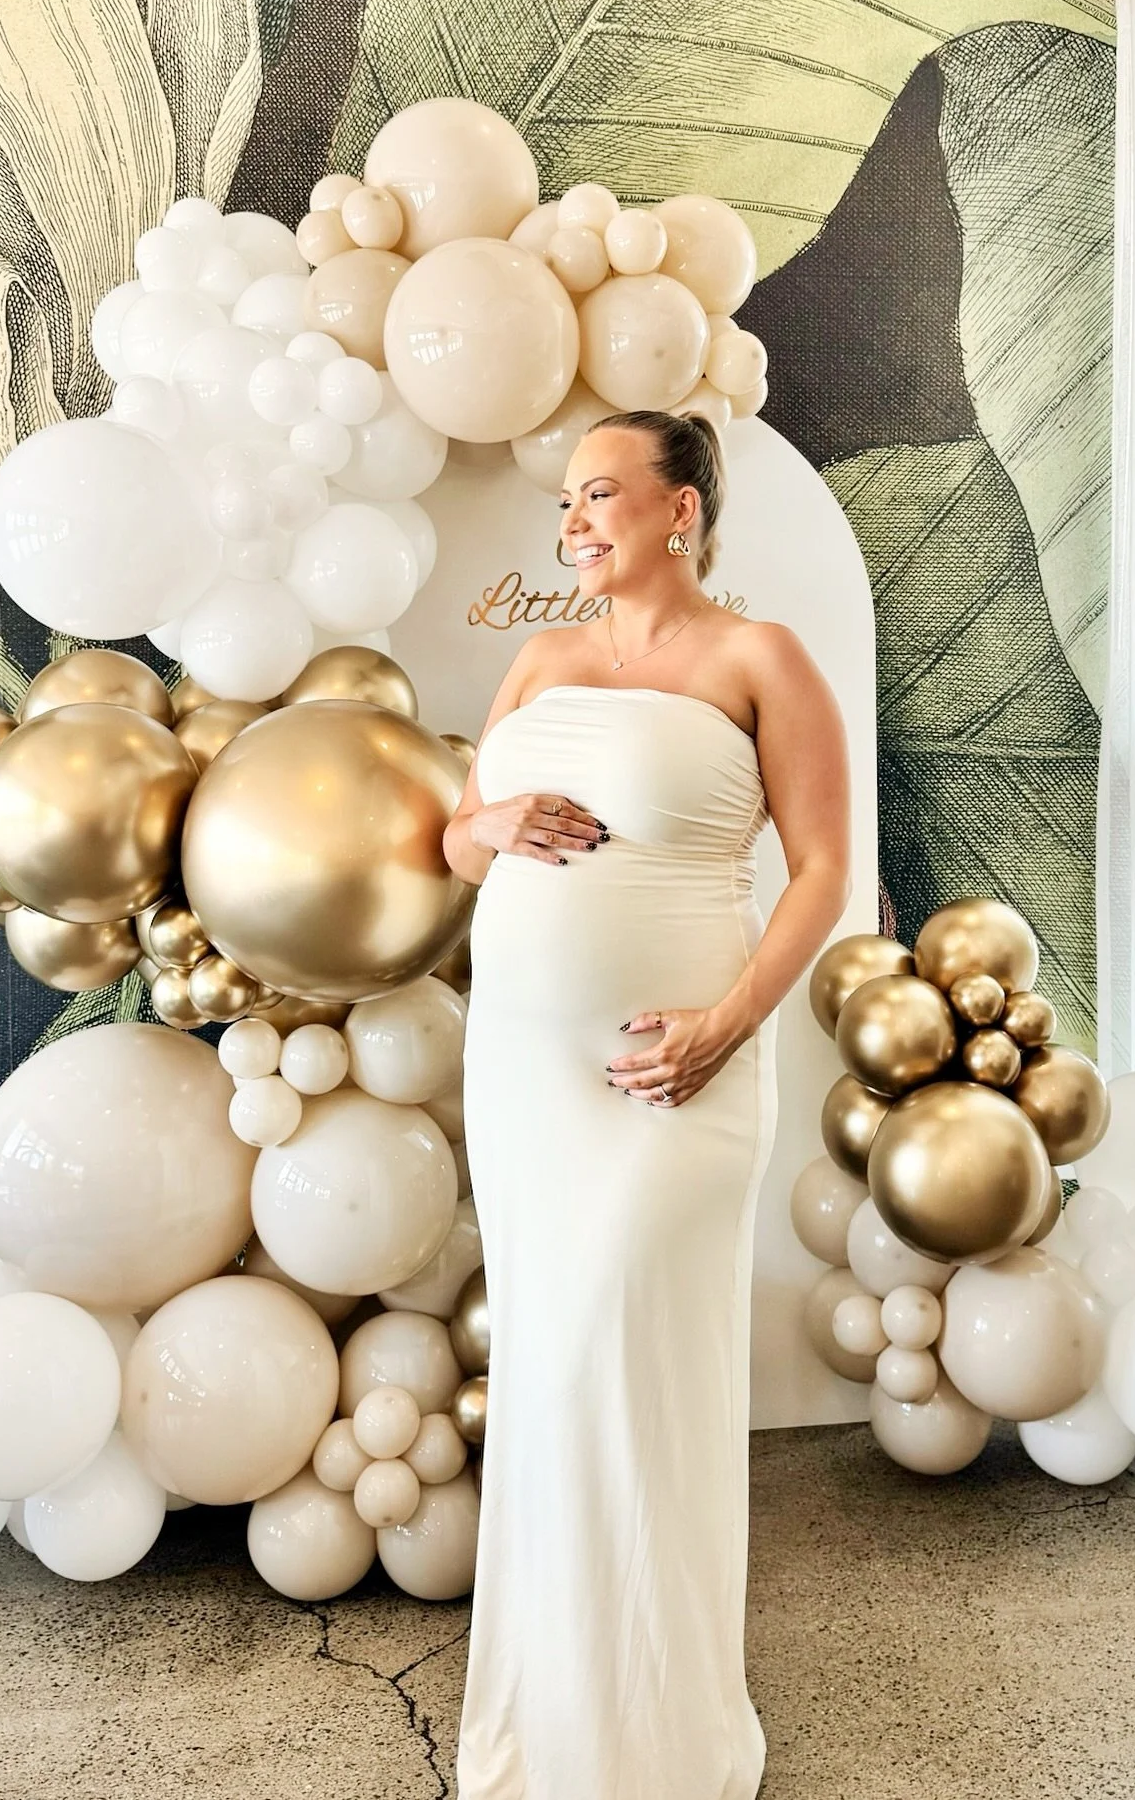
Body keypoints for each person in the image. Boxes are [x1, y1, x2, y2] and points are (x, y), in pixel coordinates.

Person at [442, 409, 853, 1799]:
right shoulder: (543, 659)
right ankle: (558, 1721)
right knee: (554, 1378)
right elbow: (455, 836)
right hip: (523, 1075)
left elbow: (821, 871)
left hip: (681, 1074)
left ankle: (659, 1738)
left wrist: (726, 1027)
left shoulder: (760, 658)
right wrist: (490, 824)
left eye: (601, 494)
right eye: (566, 500)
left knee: (622, 1368)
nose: (572, 521)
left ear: (682, 510)